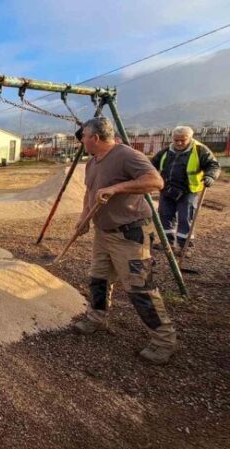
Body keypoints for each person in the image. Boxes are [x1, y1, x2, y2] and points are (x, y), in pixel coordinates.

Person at [73, 117, 177, 364]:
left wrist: (117, 188)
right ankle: (95, 317)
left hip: (129, 233)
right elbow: (90, 191)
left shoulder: (126, 155)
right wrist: (83, 218)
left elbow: (156, 181)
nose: (82, 140)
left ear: (95, 138)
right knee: (98, 278)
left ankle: (164, 341)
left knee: (139, 287)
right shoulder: (92, 162)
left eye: (84, 136)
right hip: (103, 233)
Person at [151, 126, 220, 255]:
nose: (179, 143)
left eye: (183, 140)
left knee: (185, 218)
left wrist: (210, 176)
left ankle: (185, 246)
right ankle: (167, 243)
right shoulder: (167, 151)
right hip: (167, 189)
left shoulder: (200, 150)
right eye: (176, 140)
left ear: (190, 138)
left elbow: (213, 165)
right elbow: (152, 164)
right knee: (165, 216)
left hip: (188, 191)